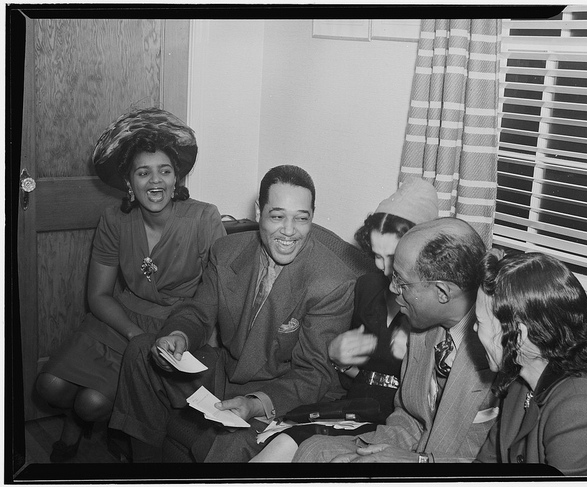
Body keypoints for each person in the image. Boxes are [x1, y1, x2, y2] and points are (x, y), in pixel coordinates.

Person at [109, 165, 362, 462]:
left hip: (283, 394)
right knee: (141, 352)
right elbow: (199, 312)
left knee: (231, 448)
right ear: (259, 212)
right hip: (227, 373)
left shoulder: (333, 281)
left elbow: (313, 375)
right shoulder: (226, 250)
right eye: (277, 216)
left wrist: (255, 404)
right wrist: (178, 335)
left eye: (301, 219)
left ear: (312, 217)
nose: (290, 231)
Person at [35, 107, 226, 462]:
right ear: (129, 181)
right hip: (119, 320)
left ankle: (96, 423)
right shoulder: (113, 219)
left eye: (165, 171)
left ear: (177, 177)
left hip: (174, 326)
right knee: (49, 385)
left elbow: (218, 296)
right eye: (144, 172)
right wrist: (133, 333)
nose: (155, 182)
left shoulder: (204, 218)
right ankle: (77, 423)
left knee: (91, 402)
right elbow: (98, 295)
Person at [251, 178, 439, 462]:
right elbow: (352, 375)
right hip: (357, 403)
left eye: (393, 257)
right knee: (279, 442)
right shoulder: (367, 287)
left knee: (289, 446)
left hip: (396, 419)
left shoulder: (430, 305)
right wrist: (342, 359)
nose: (384, 268)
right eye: (376, 255)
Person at [293, 217, 499, 463]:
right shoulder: (422, 329)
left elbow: (493, 462)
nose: (391, 289)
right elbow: (409, 418)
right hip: (413, 451)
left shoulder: (495, 349)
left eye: (401, 282)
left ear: (442, 292)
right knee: (314, 450)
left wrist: (414, 463)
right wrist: (365, 453)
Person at [473, 250, 587, 475]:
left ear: (517, 336)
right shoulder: (520, 381)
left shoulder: (583, 408)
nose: (474, 329)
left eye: (480, 322)